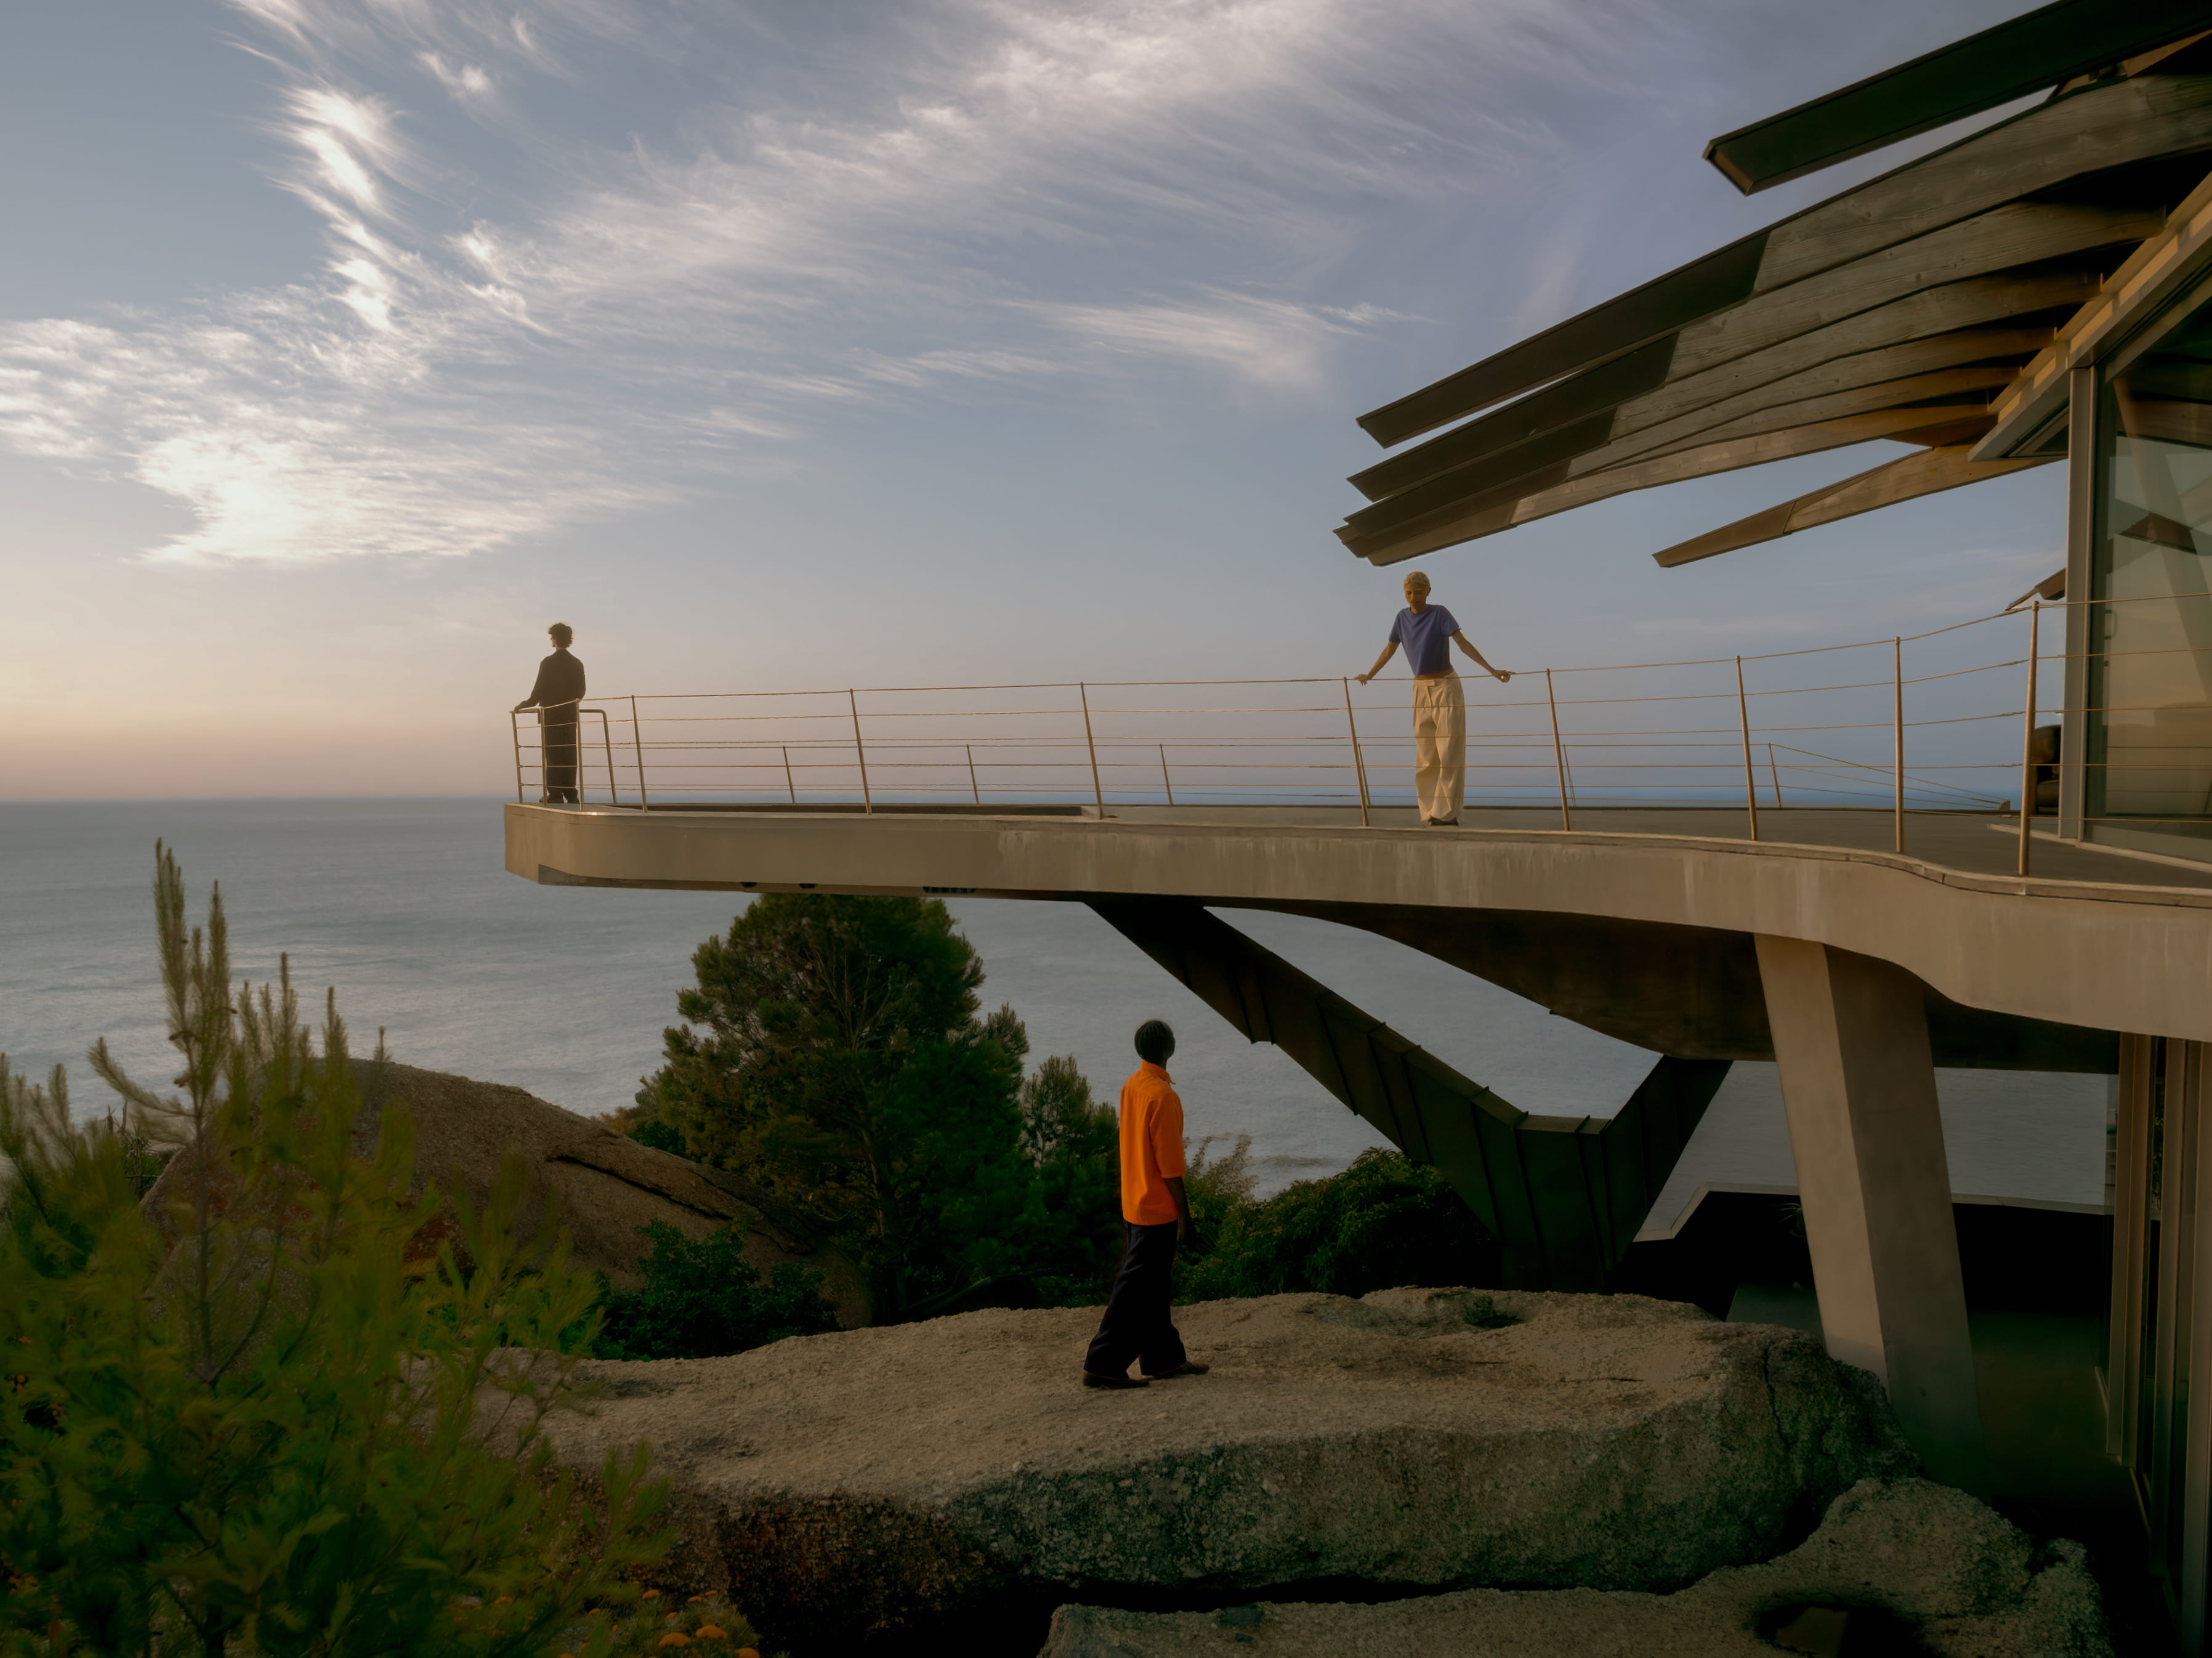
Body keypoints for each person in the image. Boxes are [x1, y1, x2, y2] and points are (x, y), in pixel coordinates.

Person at [1081, 1019, 1209, 1390]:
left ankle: (1163, 1359)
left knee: (1153, 1286)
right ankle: (1102, 1363)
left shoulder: (1132, 1085)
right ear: (1168, 1048)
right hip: (1156, 1208)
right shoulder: (1163, 1096)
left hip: (1134, 1202)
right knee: (1136, 1286)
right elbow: (1170, 1167)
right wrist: (1185, 1216)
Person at [1356, 571, 1510, 827]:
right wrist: (1370, 674)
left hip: (1446, 686)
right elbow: (1390, 649)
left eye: (1418, 592)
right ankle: (1429, 812)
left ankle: (1447, 814)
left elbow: (1461, 642)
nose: (1413, 597)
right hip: (1419, 689)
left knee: (1449, 751)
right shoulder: (1401, 617)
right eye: (1408, 592)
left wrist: (1492, 670)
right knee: (1426, 756)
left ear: (1428, 591)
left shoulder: (1440, 613)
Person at [513, 623, 586, 804]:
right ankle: (571, 794)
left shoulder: (548, 662)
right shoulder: (577, 663)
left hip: (551, 715)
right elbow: (581, 692)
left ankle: (555, 795)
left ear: (554, 638)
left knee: (553, 754)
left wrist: (523, 705)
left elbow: (537, 693)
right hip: (570, 715)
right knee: (569, 753)